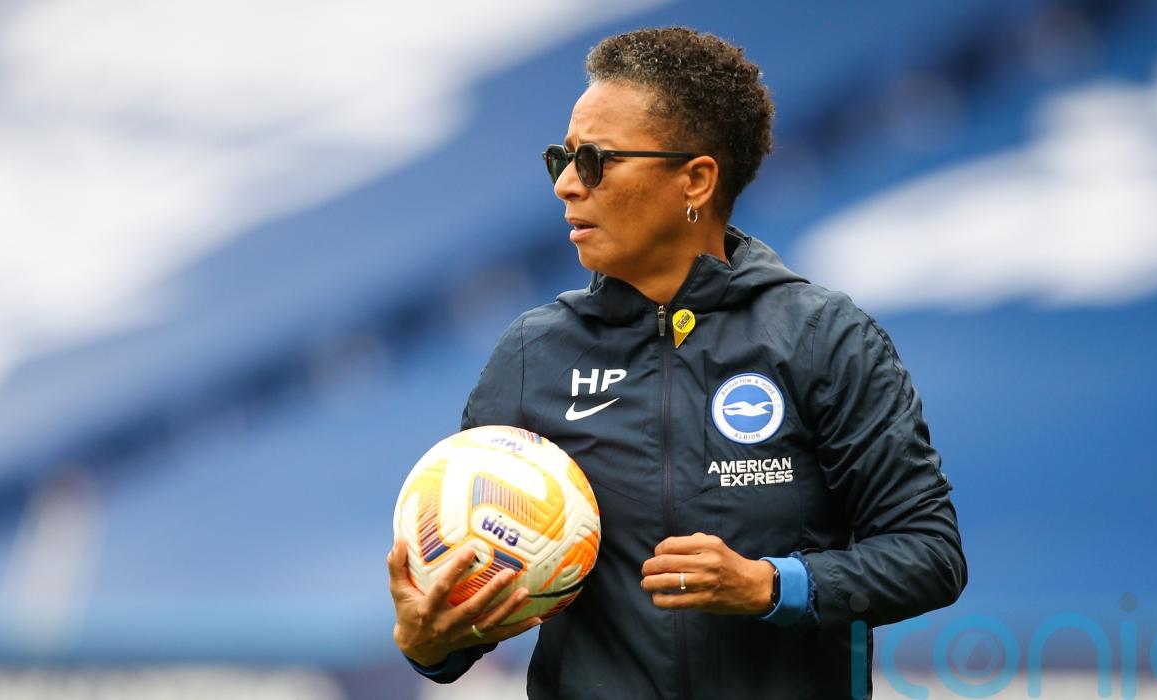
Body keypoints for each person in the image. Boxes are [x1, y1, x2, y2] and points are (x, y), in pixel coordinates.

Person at [388, 26, 967, 698]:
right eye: (561, 159)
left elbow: (929, 554)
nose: (567, 185)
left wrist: (771, 585)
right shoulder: (532, 352)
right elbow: (465, 603)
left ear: (695, 179)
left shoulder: (821, 337)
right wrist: (430, 643)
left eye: (595, 161)